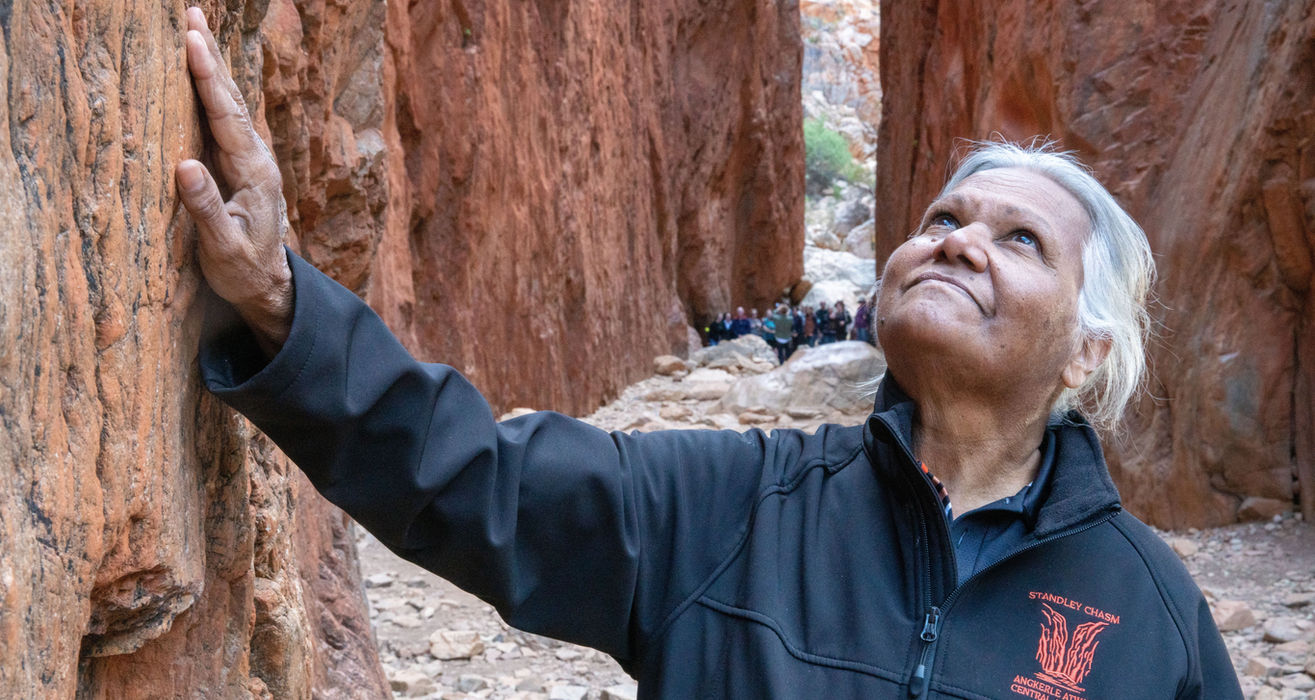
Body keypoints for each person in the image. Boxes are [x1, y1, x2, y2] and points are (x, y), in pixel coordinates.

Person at [176, 9, 1240, 697]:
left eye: (1019, 240)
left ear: (1086, 351)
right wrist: (278, 301)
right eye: (942, 216)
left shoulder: (1150, 614)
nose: (956, 237)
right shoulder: (731, 509)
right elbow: (467, 476)